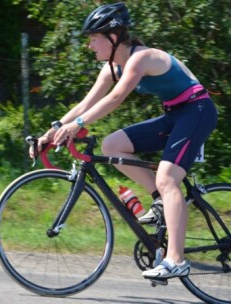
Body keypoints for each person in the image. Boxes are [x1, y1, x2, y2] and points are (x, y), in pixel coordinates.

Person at [32, 2, 218, 280]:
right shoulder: (111, 69)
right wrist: (52, 132)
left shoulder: (141, 58)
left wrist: (78, 125)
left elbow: (116, 99)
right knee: (112, 145)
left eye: (94, 39)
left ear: (113, 36)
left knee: (168, 178)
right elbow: (85, 104)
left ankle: (176, 259)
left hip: (198, 111)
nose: (90, 45)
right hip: (174, 115)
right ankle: (159, 202)